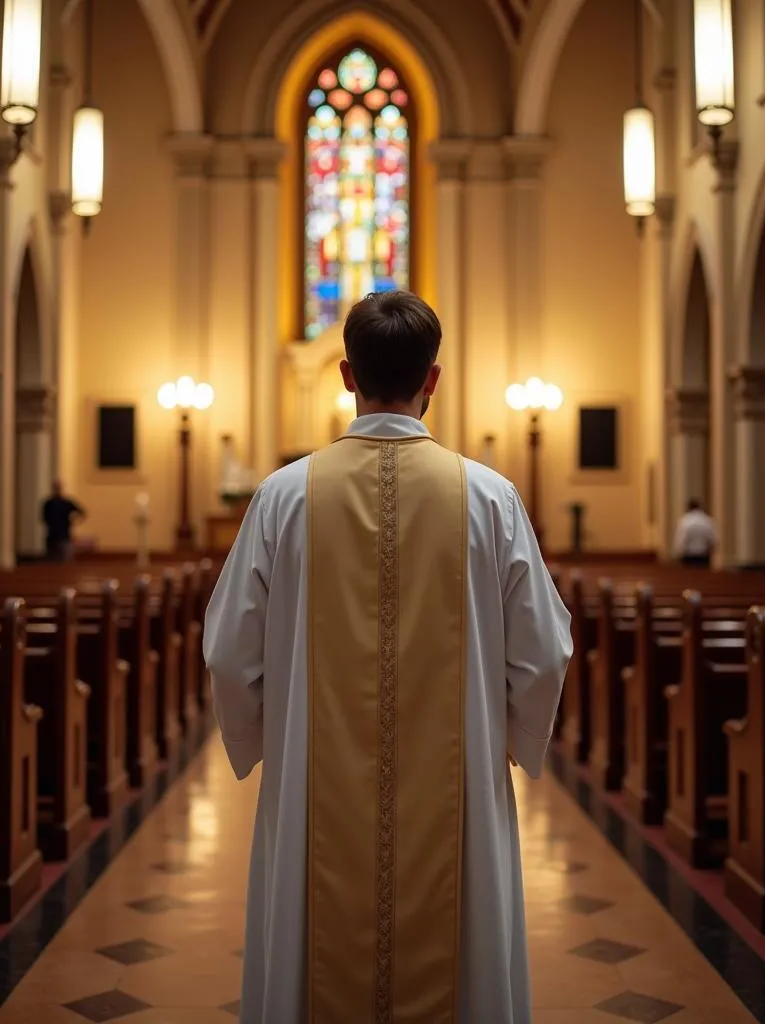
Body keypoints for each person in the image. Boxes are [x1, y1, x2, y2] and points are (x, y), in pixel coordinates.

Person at [203, 291, 573, 1023]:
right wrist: (505, 737)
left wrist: (269, 739)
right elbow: (544, 651)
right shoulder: (489, 498)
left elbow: (227, 650)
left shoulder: (283, 497)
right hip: (457, 782)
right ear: (433, 379)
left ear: (346, 375)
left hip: (315, 778)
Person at [41, 481, 85, 562]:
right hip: (53, 534)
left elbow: (81, 512)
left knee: (64, 557)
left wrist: (74, 522)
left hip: (63, 534)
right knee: (53, 558)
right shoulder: (49, 503)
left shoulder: (65, 502)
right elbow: (43, 518)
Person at [673, 498, 717, 568]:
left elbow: (681, 539)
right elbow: (712, 538)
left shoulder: (685, 521)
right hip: (703, 555)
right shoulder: (707, 520)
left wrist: (679, 552)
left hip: (688, 555)